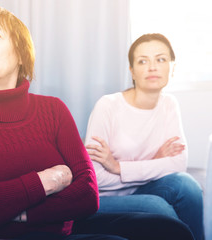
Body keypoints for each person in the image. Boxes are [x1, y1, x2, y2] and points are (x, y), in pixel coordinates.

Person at [0, 7, 194, 240]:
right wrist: (46, 182)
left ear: (21, 52)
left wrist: (0, 204)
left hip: (60, 228)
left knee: (170, 230)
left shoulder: (53, 109)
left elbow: (87, 195)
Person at [85, 33, 204, 240]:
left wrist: (118, 167)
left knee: (188, 185)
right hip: (103, 198)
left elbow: (178, 164)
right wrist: (156, 163)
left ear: (172, 67)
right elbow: (95, 178)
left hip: (142, 188)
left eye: (160, 59)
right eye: (142, 61)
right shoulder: (108, 106)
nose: (152, 67)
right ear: (131, 70)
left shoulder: (169, 104)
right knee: (158, 207)